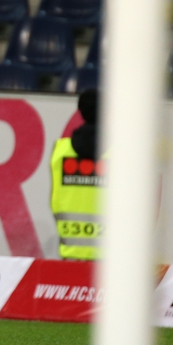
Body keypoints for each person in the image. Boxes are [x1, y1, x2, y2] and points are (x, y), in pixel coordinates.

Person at [50, 89, 101, 260]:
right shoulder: (121, 153)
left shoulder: (60, 151)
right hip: (111, 263)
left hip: (71, 257)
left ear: (81, 112)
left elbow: (56, 200)